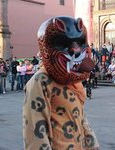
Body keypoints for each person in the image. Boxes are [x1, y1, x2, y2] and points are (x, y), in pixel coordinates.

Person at [23, 16, 99, 150]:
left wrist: (93, 145)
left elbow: (81, 120)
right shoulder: (41, 81)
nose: (75, 50)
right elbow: (35, 131)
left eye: (79, 43)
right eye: (65, 44)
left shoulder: (75, 81)